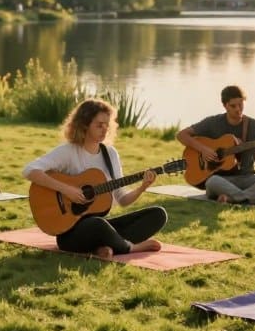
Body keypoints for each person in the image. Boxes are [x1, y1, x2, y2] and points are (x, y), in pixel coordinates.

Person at [22, 98, 167, 258]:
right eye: (99, 125)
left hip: (99, 227)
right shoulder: (69, 151)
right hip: (71, 234)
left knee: (158, 214)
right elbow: (30, 170)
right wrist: (67, 190)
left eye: (107, 124)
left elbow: (123, 199)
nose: (104, 129)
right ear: (84, 125)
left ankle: (105, 247)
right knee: (97, 224)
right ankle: (129, 248)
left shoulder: (110, 154)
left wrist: (143, 187)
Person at [176, 85, 255, 205]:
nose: (238, 109)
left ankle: (234, 198)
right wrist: (203, 149)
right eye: (233, 106)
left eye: (241, 104)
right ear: (225, 105)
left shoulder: (254, 126)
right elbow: (181, 135)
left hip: (248, 178)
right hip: (222, 181)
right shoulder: (213, 123)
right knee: (211, 182)